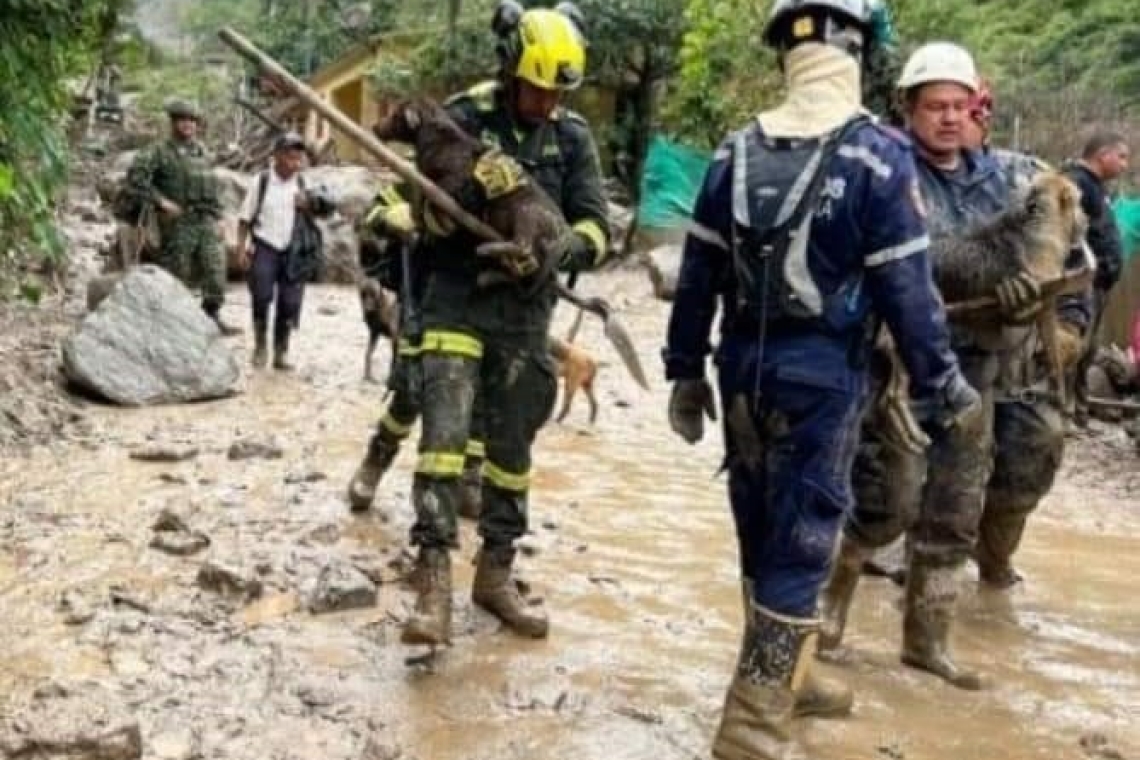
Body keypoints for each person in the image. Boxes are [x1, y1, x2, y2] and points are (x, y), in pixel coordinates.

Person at [662, 5, 979, 757]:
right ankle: (752, 725)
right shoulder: (876, 156)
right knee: (804, 543)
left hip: (737, 372)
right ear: (858, 52)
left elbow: (697, 274)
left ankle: (793, 675)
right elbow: (908, 293)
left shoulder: (730, 153)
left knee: (761, 531)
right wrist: (944, 387)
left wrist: (683, 371)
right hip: (821, 381)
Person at [818, 42, 1049, 691]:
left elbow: (1041, 262)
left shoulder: (1004, 180)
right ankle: (831, 605)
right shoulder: (883, 173)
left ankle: (928, 640)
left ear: (975, 107)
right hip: (896, 370)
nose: (949, 118)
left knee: (955, 507)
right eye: (934, 107)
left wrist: (1022, 300)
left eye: (959, 105)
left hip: (975, 369)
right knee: (887, 497)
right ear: (908, 111)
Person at [393, 0, 610, 649]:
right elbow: (418, 215)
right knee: (445, 439)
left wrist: (563, 248)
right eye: (537, 89)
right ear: (512, 70)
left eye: (557, 93)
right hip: (456, 299)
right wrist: (461, 204)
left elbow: (598, 223)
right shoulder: (462, 118)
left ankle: (496, 574)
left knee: (512, 453)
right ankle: (432, 583)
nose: (545, 103)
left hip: (525, 313)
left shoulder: (571, 140)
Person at [121, 98, 240, 335]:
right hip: (177, 223)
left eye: (192, 121)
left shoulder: (201, 151)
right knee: (177, 275)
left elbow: (211, 185)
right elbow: (136, 181)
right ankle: (175, 323)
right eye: (183, 120)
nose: (188, 125)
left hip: (205, 220)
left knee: (216, 272)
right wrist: (161, 201)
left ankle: (211, 315)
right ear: (173, 123)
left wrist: (219, 218)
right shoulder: (157, 151)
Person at [236, 131, 335, 370]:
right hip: (265, 246)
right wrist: (241, 249)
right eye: (291, 157)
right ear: (277, 156)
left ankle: (282, 352)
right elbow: (244, 219)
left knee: (290, 302)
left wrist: (309, 205)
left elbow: (328, 210)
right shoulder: (261, 182)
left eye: (299, 158)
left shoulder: (303, 183)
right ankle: (260, 345)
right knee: (261, 295)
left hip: (294, 251)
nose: (296, 163)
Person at [1063, 130, 1130, 421]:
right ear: (1104, 155)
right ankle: (1063, 410)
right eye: (1122, 156)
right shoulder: (1076, 184)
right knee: (1073, 347)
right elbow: (1068, 235)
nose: (1126, 164)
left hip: (1098, 284)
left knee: (1087, 350)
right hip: (1080, 285)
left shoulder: (1096, 187)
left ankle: (1078, 407)